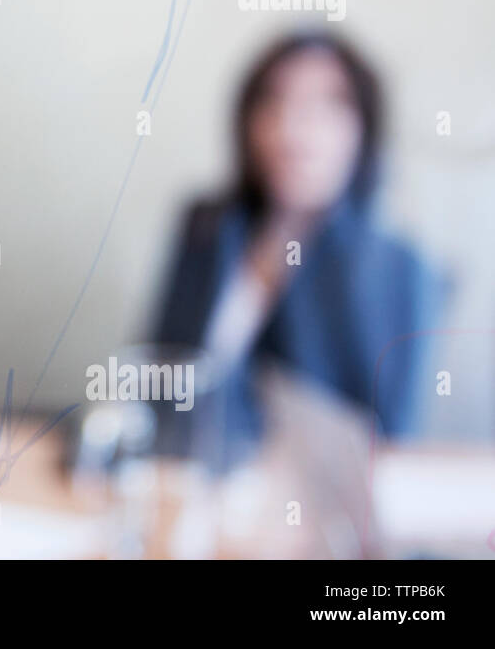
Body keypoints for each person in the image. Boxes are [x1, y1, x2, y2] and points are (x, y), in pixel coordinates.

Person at [148, 32, 439, 462]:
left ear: (362, 129)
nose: (293, 126)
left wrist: (316, 232)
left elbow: (386, 437)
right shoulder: (208, 228)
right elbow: (157, 373)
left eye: (326, 105)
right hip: (178, 476)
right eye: (274, 101)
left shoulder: (395, 266)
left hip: (304, 493)